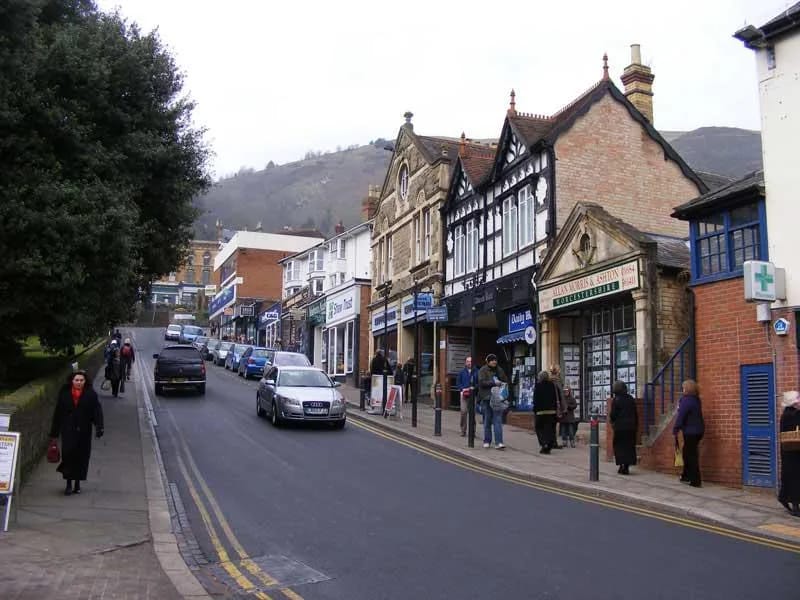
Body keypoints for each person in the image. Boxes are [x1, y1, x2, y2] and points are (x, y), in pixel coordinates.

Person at [48, 370, 104, 495]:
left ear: (85, 381)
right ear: (72, 381)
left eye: (81, 380)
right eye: (76, 380)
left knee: (81, 457)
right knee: (68, 456)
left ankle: (77, 483)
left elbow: (97, 412)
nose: (79, 382)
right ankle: (68, 484)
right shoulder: (64, 394)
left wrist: (99, 427)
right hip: (68, 430)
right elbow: (58, 413)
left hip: (84, 431)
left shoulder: (91, 395)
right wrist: (54, 433)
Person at [673, 379, 705, 487]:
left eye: (683, 388)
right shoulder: (696, 400)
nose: (682, 390)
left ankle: (695, 480)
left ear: (687, 389)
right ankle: (686, 475)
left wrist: (676, 428)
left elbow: (681, 415)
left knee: (690, 455)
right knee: (687, 452)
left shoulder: (686, 400)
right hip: (699, 430)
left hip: (691, 431)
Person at [477, 354, 508, 449]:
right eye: (492, 360)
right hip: (487, 398)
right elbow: (481, 382)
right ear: (488, 361)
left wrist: (502, 382)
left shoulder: (500, 370)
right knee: (487, 420)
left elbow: (505, 380)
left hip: (497, 398)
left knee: (498, 420)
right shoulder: (483, 370)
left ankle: (499, 442)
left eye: (495, 360)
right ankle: (487, 441)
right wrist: (493, 383)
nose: (494, 362)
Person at [779, 391, 800, 516]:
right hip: (791, 452)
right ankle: (795, 506)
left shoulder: (792, 414)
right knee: (794, 478)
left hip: (794, 451)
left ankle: (784, 497)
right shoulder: (790, 415)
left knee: (792, 478)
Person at [609, 380, 638, 474]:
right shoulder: (630, 399)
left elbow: (613, 414)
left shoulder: (616, 400)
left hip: (620, 427)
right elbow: (635, 413)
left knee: (619, 447)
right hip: (631, 427)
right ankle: (626, 466)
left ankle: (621, 465)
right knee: (629, 447)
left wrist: (613, 422)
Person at [533, 370, 558, 454]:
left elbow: (535, 399)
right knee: (549, 429)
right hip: (551, 411)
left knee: (539, 428)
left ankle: (544, 444)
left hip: (540, 411)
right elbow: (555, 397)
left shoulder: (538, 385)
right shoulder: (552, 385)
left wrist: (535, 409)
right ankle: (549, 444)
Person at [457, 356, 478, 437]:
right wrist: (462, 389)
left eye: (471, 361)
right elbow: (458, 383)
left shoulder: (477, 371)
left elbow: (479, 383)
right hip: (464, 395)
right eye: (468, 361)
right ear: (465, 363)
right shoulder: (462, 372)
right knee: (463, 412)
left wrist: (473, 388)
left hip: (473, 395)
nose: (469, 363)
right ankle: (463, 430)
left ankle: (473, 431)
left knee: (472, 414)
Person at [549, 365, 566, 449]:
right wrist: (564, 407)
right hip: (556, 405)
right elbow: (561, 395)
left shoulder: (549, 380)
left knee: (550, 425)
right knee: (553, 425)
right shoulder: (557, 381)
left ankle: (551, 442)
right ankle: (552, 442)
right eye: (559, 371)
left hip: (550, 405)